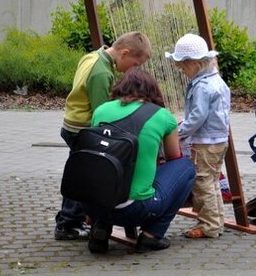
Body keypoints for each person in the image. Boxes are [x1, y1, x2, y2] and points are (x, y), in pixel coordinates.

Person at [85, 68, 196, 253]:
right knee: (186, 168)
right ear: (153, 90)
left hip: (93, 204)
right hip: (135, 210)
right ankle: (152, 235)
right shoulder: (162, 116)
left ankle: (101, 227)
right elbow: (173, 159)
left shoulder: (101, 110)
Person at [54, 31, 152, 241]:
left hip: (71, 123)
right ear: (124, 53)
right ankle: (68, 223)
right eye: (135, 64)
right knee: (86, 177)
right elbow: (101, 114)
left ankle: (72, 220)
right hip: (83, 128)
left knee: (82, 172)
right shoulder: (102, 74)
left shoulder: (93, 56)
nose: (133, 70)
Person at [165, 33, 231, 239]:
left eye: (183, 67)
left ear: (194, 63)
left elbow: (198, 116)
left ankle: (208, 226)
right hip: (219, 139)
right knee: (212, 181)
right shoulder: (217, 80)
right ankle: (217, 220)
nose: (182, 71)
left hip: (205, 142)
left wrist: (180, 133)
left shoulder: (202, 87)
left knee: (202, 183)